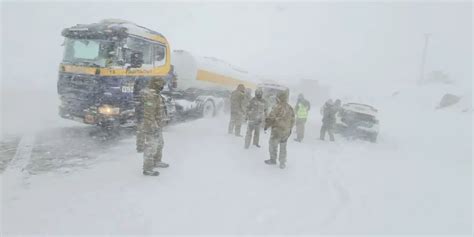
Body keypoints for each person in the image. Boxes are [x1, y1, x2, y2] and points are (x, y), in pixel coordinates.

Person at [141, 77, 169, 176]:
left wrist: (164, 120)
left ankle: (157, 161)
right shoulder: (150, 95)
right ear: (156, 84)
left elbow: (160, 109)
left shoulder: (157, 94)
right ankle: (147, 168)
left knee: (160, 144)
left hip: (158, 125)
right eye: (161, 84)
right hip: (152, 126)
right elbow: (149, 113)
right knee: (151, 147)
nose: (162, 86)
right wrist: (152, 125)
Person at [264, 91, 295, 169]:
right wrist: (290, 128)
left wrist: (266, 125)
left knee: (272, 145)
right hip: (286, 131)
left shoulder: (277, 106)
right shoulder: (290, 107)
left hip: (277, 131)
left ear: (279, 98)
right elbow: (293, 120)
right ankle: (282, 163)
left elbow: (271, 117)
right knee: (283, 147)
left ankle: (273, 160)